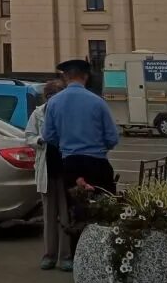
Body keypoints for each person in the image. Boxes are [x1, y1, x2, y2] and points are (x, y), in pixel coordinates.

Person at [43, 58, 119, 197]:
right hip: (97, 163)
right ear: (86, 76)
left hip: (69, 165)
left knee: (76, 209)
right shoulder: (98, 102)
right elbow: (112, 138)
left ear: (65, 77)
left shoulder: (53, 103)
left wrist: (64, 145)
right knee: (105, 208)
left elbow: (48, 135)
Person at [25, 79, 69, 271]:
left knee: (66, 216)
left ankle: (66, 256)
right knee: (49, 215)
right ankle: (49, 255)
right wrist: (41, 140)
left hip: (66, 169)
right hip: (47, 169)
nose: (53, 101)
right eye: (51, 97)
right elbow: (29, 136)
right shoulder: (38, 113)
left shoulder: (68, 113)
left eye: (57, 97)